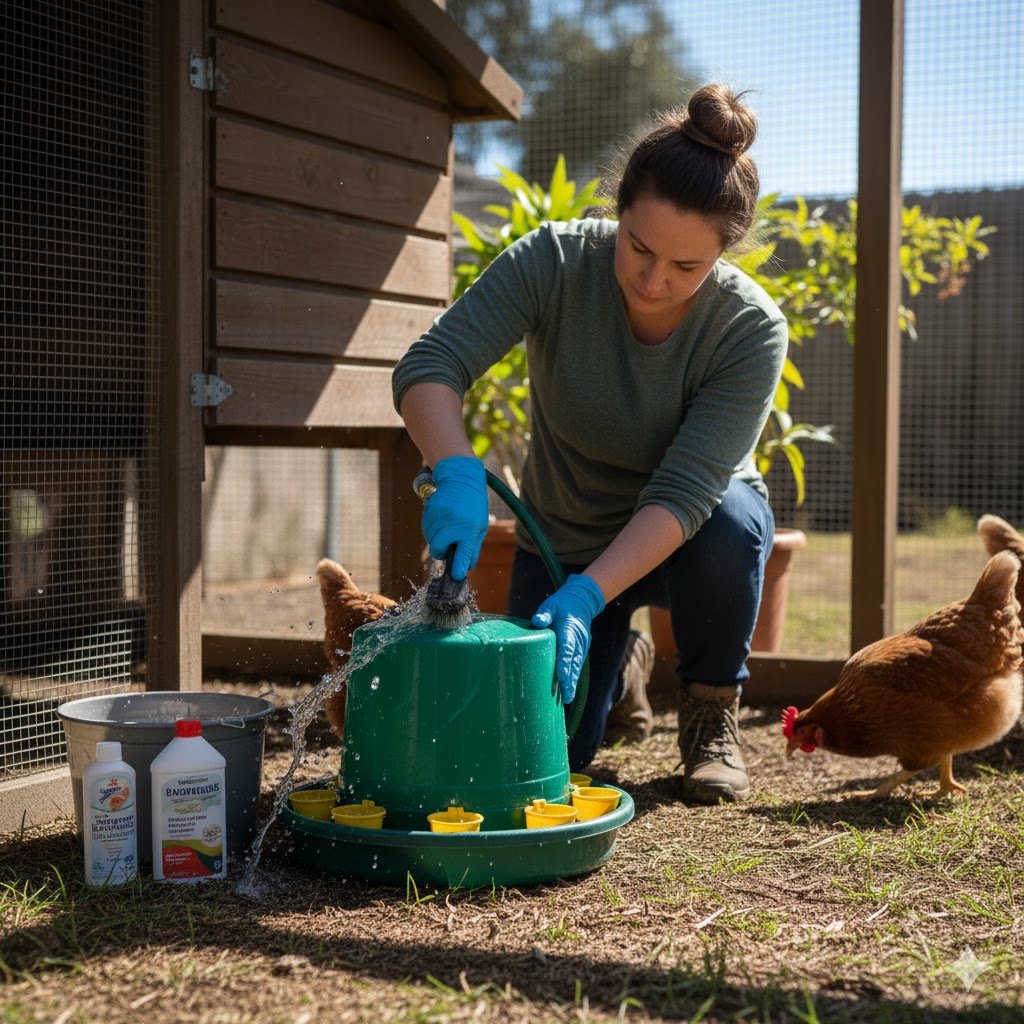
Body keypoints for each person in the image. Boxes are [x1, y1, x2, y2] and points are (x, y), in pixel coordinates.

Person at [391, 84, 787, 804]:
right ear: (617, 211)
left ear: (722, 257)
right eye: (638, 247)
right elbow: (430, 365)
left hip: (688, 539)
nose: (652, 279)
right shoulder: (554, 263)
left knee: (731, 518)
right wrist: (452, 468)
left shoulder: (748, 327)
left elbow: (686, 492)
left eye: (686, 268)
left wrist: (588, 596)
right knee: (550, 753)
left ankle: (708, 710)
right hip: (563, 535)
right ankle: (624, 666)